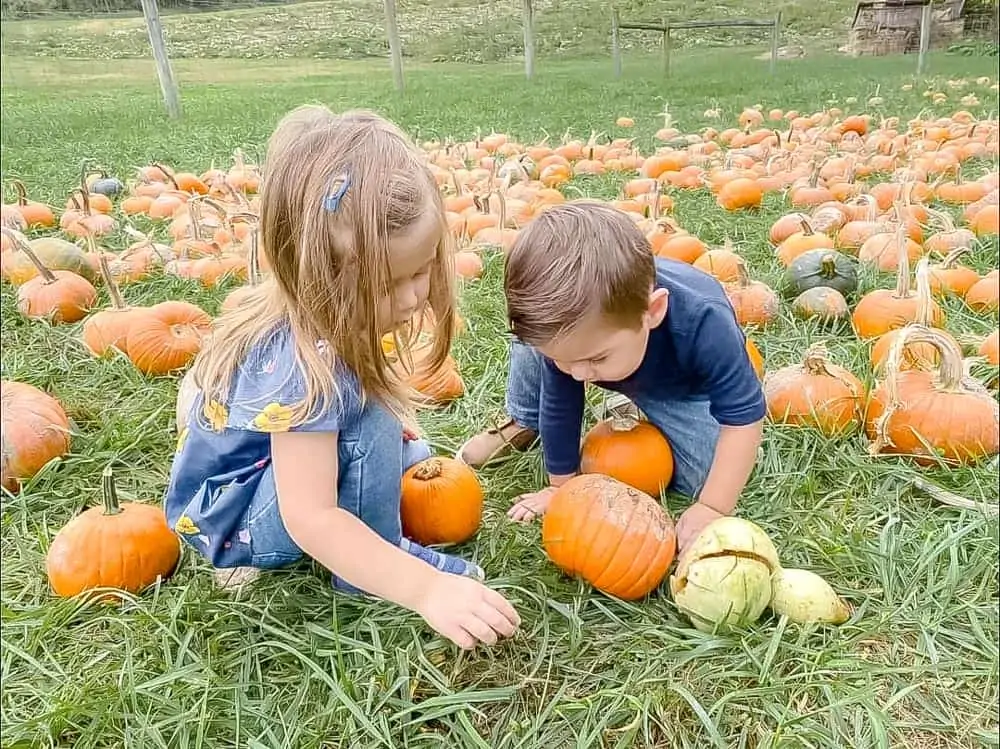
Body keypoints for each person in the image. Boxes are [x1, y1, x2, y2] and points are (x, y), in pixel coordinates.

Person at [165, 105, 520, 650]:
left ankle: (380, 493)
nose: (411, 297)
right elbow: (311, 517)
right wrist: (424, 589)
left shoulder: (318, 316)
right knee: (368, 412)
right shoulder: (300, 367)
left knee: (380, 418)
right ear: (313, 273)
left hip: (260, 475)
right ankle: (369, 560)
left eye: (421, 269)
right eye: (385, 283)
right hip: (241, 520)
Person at [456, 201, 766, 550]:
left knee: (704, 472)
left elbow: (743, 416)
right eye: (566, 362)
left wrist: (712, 507)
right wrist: (562, 487)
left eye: (596, 358)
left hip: (679, 386)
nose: (577, 374)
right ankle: (525, 419)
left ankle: (636, 406)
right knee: (535, 342)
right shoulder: (570, 350)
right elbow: (561, 403)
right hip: (590, 349)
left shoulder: (706, 323)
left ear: (653, 312)